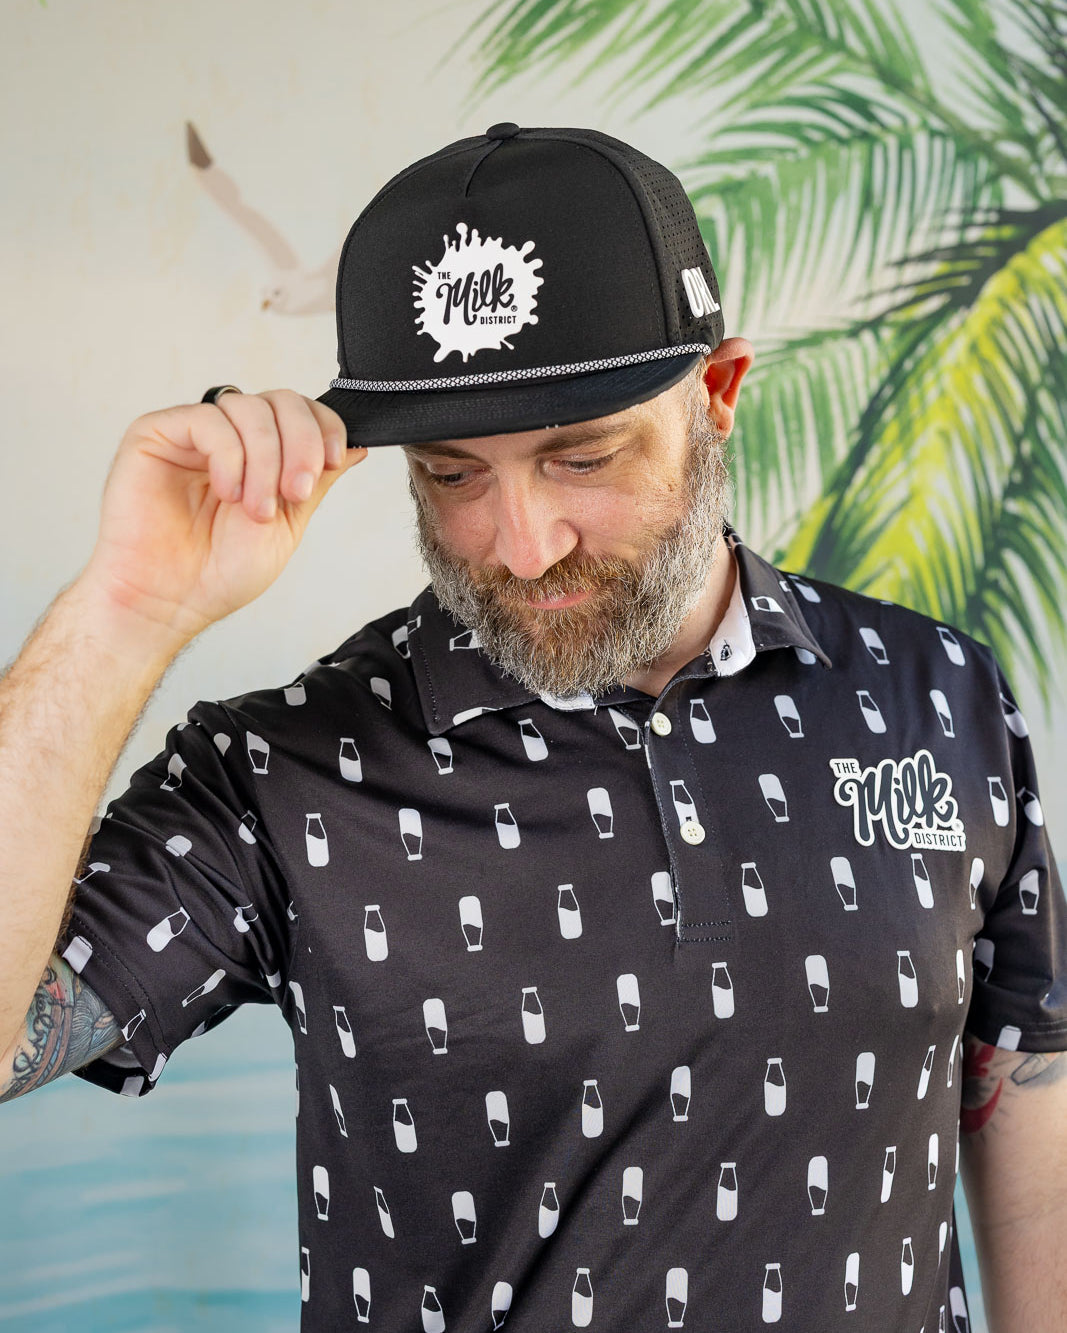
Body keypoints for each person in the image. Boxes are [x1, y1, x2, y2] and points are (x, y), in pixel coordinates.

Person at [1, 123, 1064, 1333]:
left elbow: (1025, 1093)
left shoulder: (934, 692)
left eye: (581, 457)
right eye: (453, 475)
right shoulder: (282, 770)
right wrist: (124, 610)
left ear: (718, 395)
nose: (521, 546)